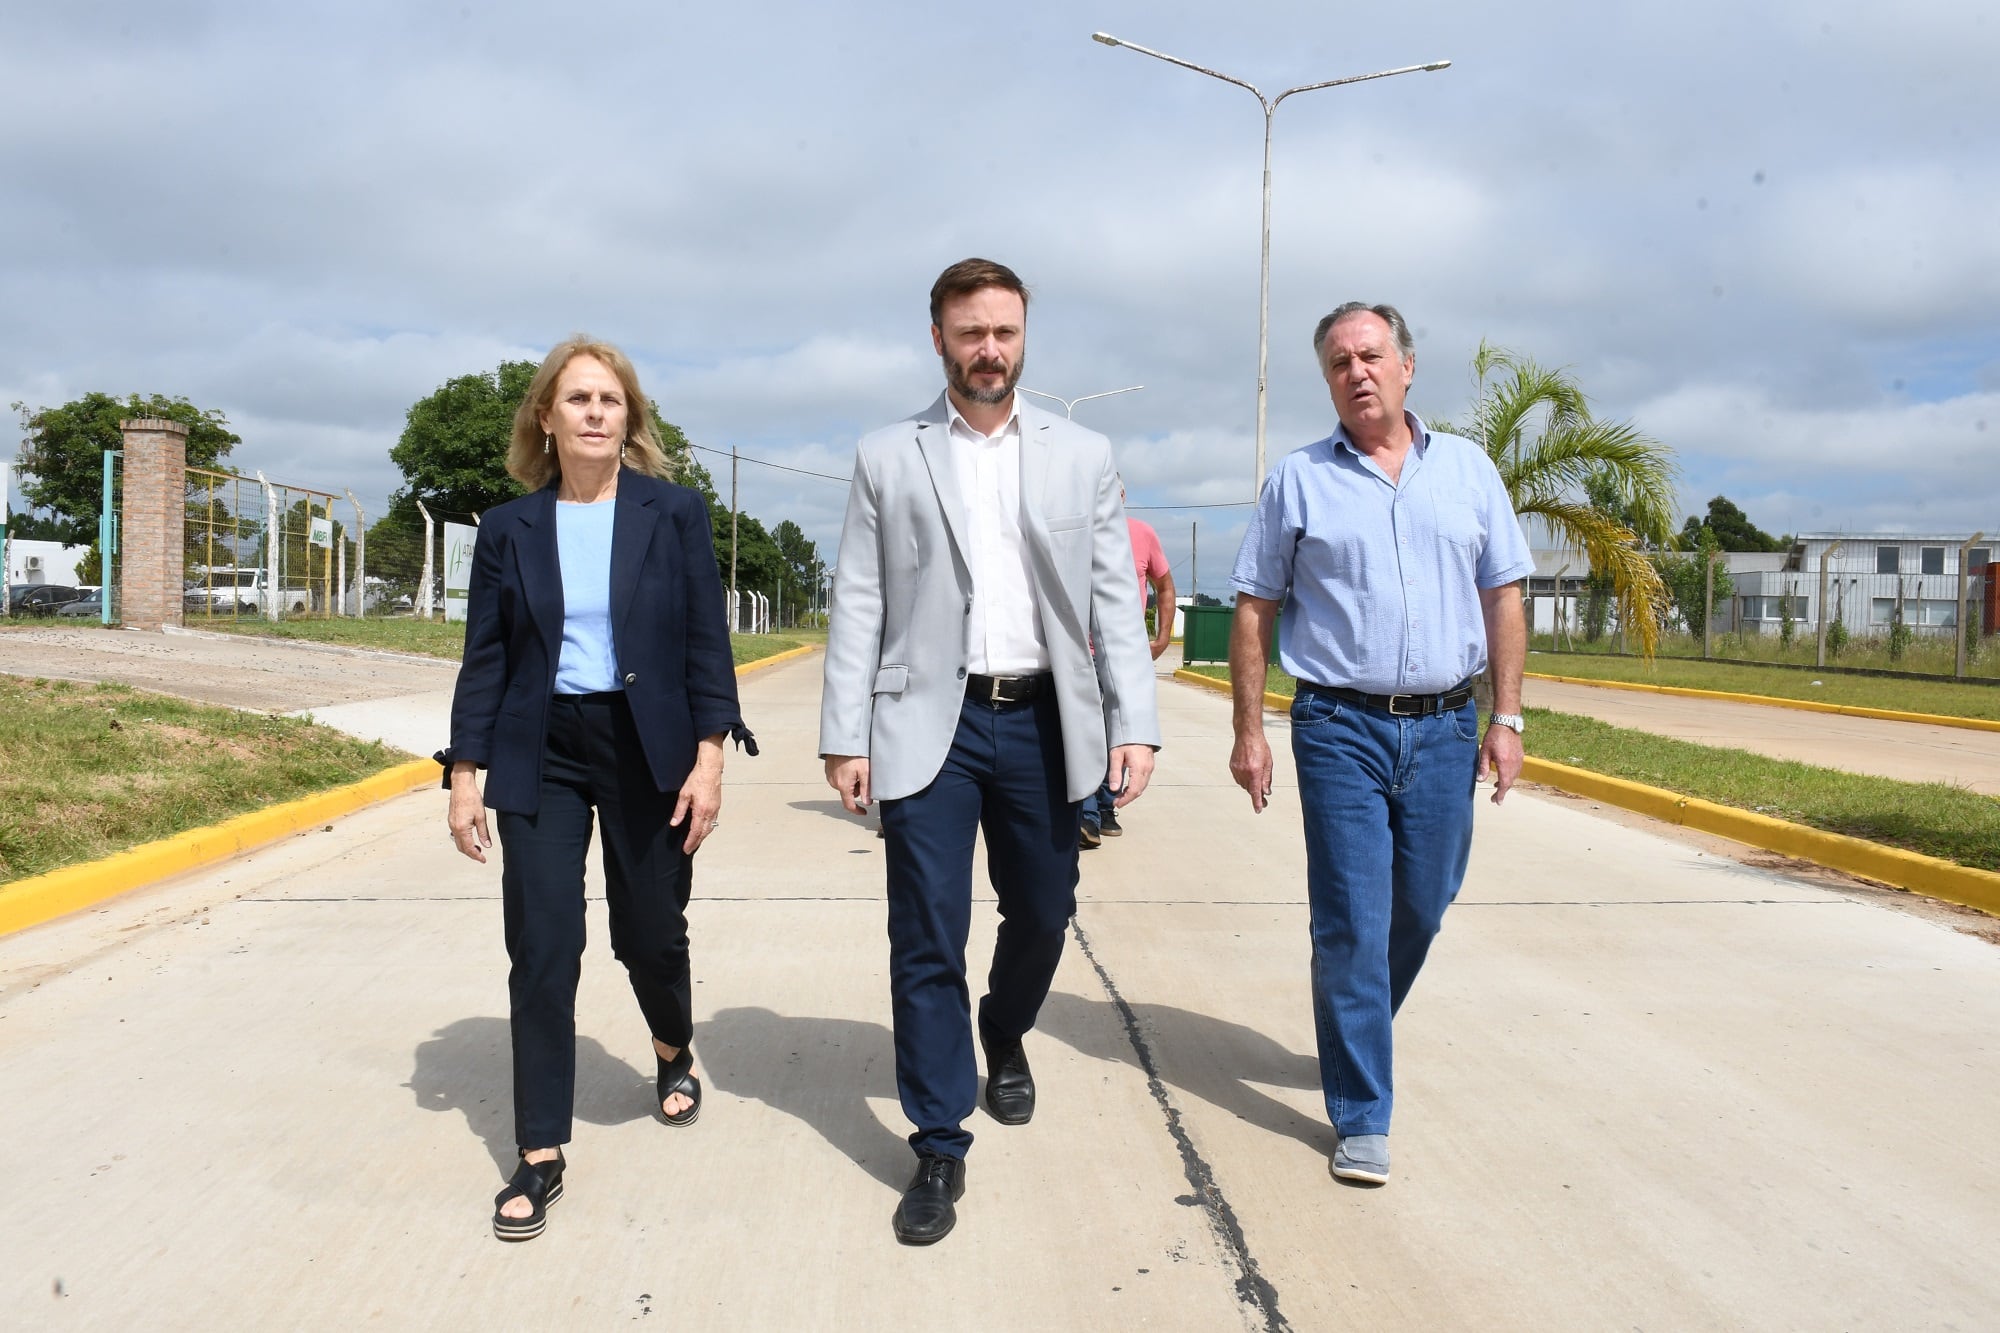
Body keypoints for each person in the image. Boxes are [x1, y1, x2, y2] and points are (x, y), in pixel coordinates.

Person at [819, 258, 1162, 1245]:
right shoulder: (889, 453)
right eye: (970, 332)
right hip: (929, 720)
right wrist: (846, 733)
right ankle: (937, 1141)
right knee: (925, 934)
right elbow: (859, 598)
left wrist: (1131, 721)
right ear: (938, 339)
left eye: (1003, 332)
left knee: (1043, 912)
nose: (988, 350)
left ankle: (1003, 1028)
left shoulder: (1078, 452)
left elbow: (1113, 602)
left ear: (1023, 338)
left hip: (1048, 715)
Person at [438, 336, 752, 1241]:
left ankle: (670, 1044)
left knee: (649, 930)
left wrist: (710, 755)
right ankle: (541, 1150)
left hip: (644, 745)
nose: (594, 412)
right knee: (543, 940)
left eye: (610, 400)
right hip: (542, 749)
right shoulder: (509, 528)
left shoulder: (674, 512)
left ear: (630, 418)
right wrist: (466, 774)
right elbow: (486, 658)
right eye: (577, 398)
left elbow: (704, 639)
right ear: (547, 415)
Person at [1226, 302, 1531, 1187]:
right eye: (1337, 363)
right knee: (1352, 920)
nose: (1356, 372)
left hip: (1444, 726)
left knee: (1423, 906)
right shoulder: (1299, 480)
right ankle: (1363, 1112)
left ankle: (1351, 1020)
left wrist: (1505, 718)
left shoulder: (1469, 472)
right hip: (1338, 726)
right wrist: (1250, 729)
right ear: (1327, 381)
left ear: (1406, 367)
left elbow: (1503, 596)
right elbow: (1254, 605)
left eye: (1370, 355)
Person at [1082, 481, 1175, 846]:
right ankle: (1088, 812)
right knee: (1084, 732)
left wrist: (1163, 636)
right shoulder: (1069, 532)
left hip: (1121, 656)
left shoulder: (1141, 534)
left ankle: (1104, 807)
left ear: (1121, 496)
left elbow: (1165, 587)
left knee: (1113, 732)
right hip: (1078, 653)